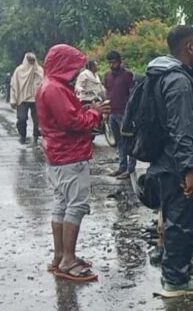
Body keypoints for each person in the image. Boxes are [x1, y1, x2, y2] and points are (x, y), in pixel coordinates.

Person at [36, 44, 110, 281]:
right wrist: (95, 112)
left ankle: (60, 256)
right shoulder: (56, 89)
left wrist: (86, 109)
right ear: (64, 64)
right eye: (74, 66)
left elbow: (66, 117)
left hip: (57, 155)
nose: (77, 72)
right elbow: (73, 122)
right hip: (70, 154)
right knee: (76, 205)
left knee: (61, 203)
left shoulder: (48, 85)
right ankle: (68, 260)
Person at [146, 25, 193, 297]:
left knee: (179, 218)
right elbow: (181, 129)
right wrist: (190, 170)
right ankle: (175, 280)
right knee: (180, 221)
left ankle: (181, 268)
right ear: (189, 48)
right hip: (176, 164)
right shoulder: (178, 82)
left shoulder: (165, 74)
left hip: (167, 160)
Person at [104, 51, 135, 179]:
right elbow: (107, 93)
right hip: (112, 113)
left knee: (130, 142)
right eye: (110, 63)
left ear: (119, 61)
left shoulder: (128, 75)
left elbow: (133, 94)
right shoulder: (107, 76)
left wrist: (131, 113)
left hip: (125, 114)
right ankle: (122, 167)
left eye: (114, 62)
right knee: (119, 142)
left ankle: (130, 169)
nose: (112, 65)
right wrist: (106, 111)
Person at [10, 52, 44, 144]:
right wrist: (13, 99)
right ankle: (23, 135)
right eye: (30, 60)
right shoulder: (19, 71)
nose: (32, 62)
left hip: (36, 99)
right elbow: (14, 85)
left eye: (33, 60)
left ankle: (36, 136)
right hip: (22, 98)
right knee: (22, 118)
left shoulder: (39, 70)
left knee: (38, 120)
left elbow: (44, 84)